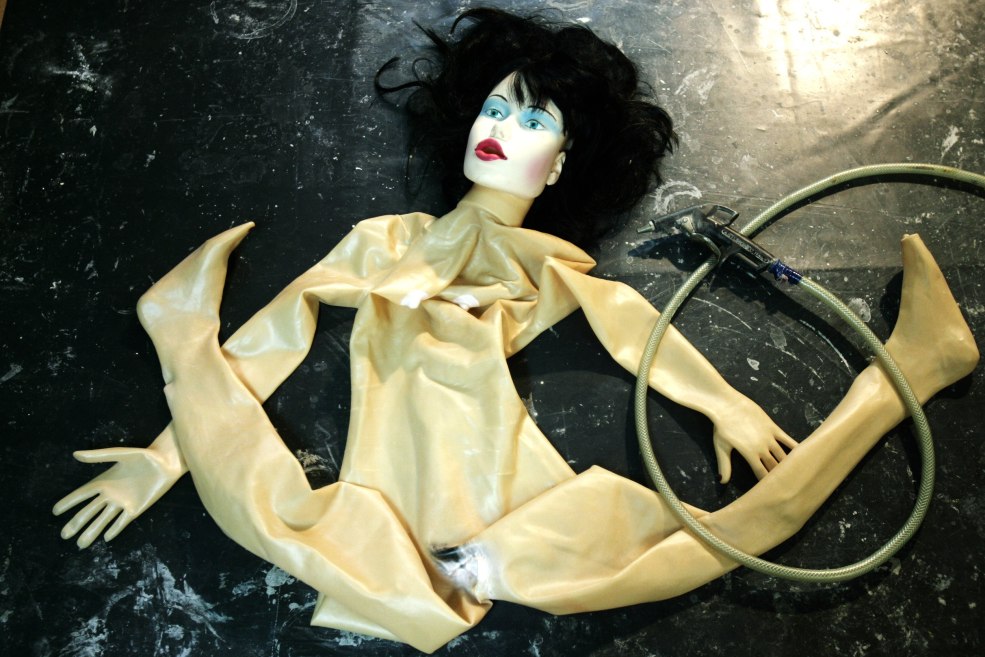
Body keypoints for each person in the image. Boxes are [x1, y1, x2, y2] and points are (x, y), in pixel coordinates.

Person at [53, 8, 978, 653]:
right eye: (494, 107)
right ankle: (904, 374)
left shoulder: (542, 264)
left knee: (728, 534)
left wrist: (721, 400)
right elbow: (278, 333)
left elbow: (623, 318)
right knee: (718, 540)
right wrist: (166, 456)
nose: (501, 126)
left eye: (533, 118)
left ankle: (900, 376)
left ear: (562, 161)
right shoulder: (388, 242)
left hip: (493, 498)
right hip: (402, 513)